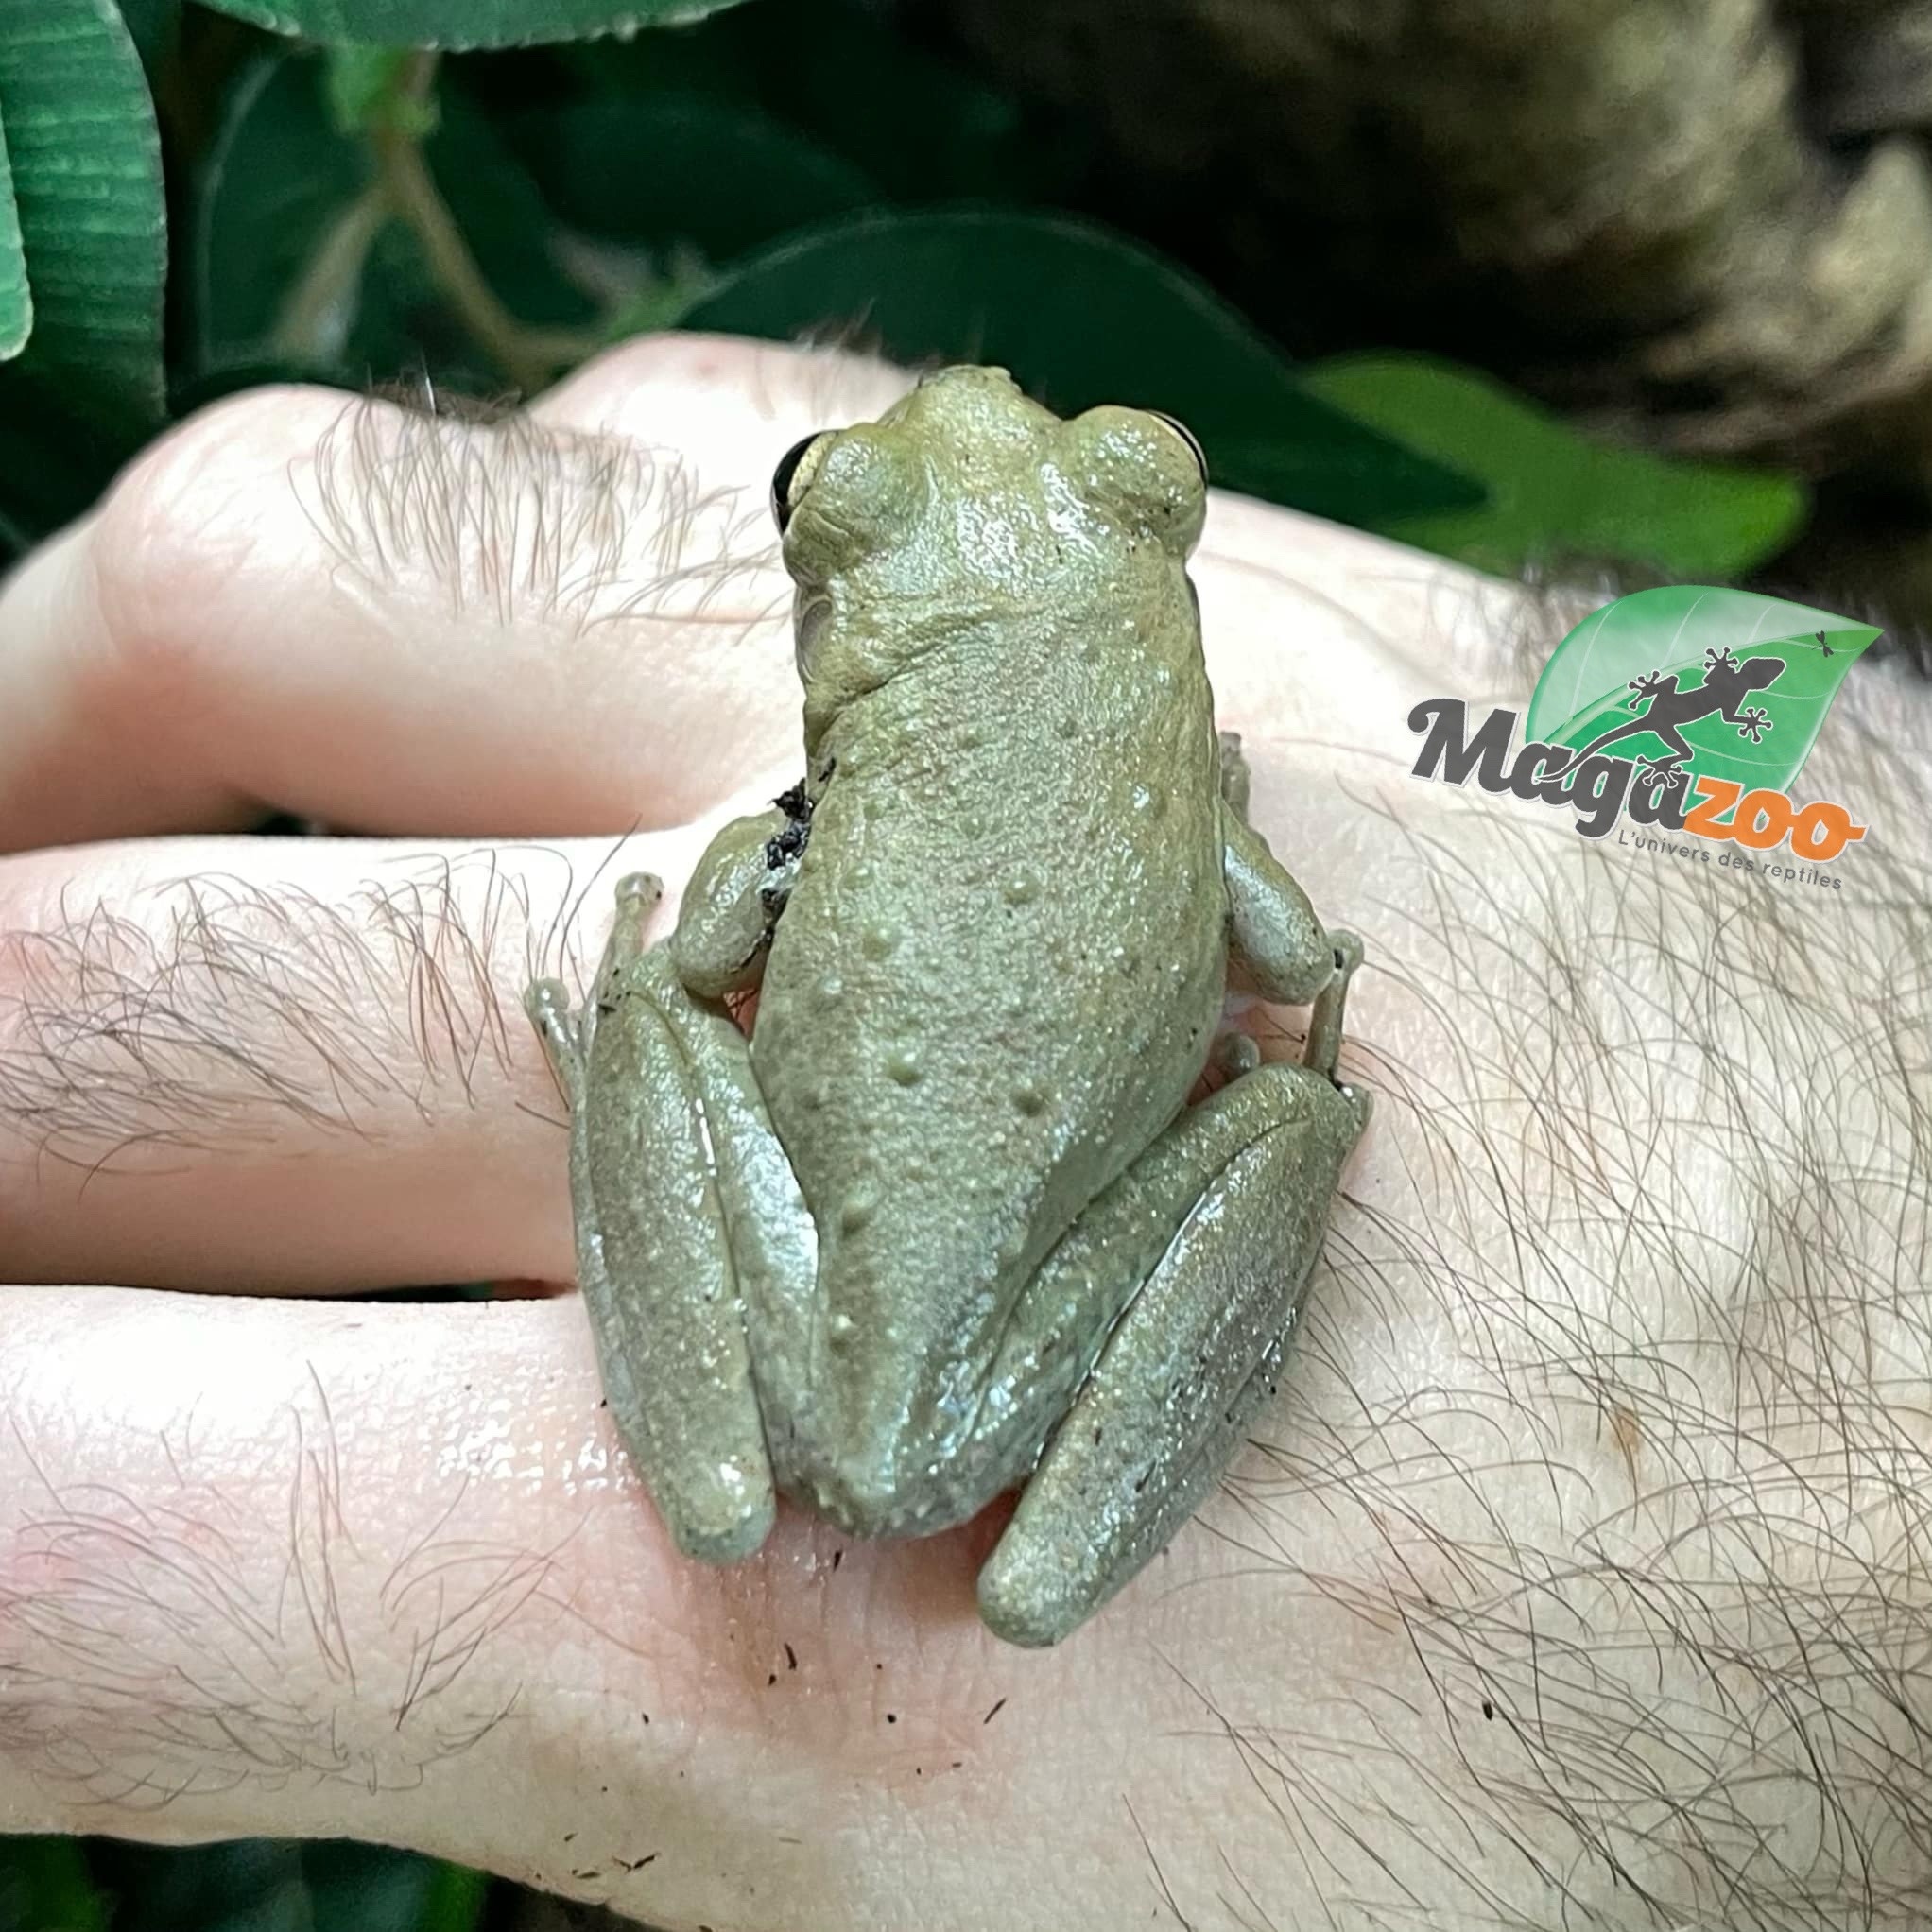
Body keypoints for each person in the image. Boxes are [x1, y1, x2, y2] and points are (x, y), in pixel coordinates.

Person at [0, 336, 1924, 1931]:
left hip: (832, 1287)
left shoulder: (846, 722)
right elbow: (1291, 951)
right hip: (1020, 1271)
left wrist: (661, 1004)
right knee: (1291, 1101)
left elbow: (737, 923)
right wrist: (1836, 801)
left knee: (659, 1000)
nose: (985, 382)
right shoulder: (1264, 759)